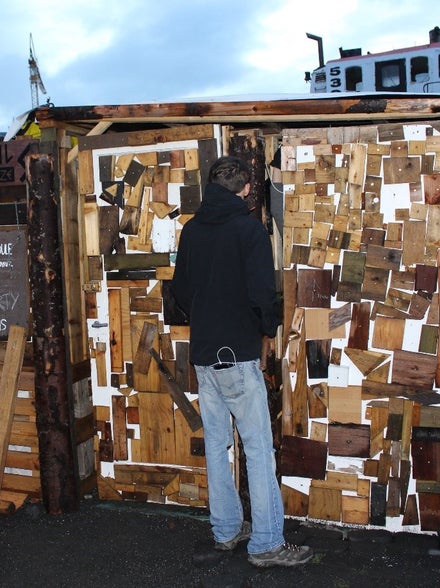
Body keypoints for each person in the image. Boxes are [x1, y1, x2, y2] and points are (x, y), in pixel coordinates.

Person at [172, 155, 312, 568]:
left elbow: (180, 290)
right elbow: (261, 293)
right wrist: (266, 327)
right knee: (257, 449)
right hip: (238, 353)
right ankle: (267, 543)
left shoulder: (192, 230)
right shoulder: (250, 229)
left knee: (217, 446)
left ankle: (226, 531)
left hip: (203, 354)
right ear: (247, 189)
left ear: (211, 186)